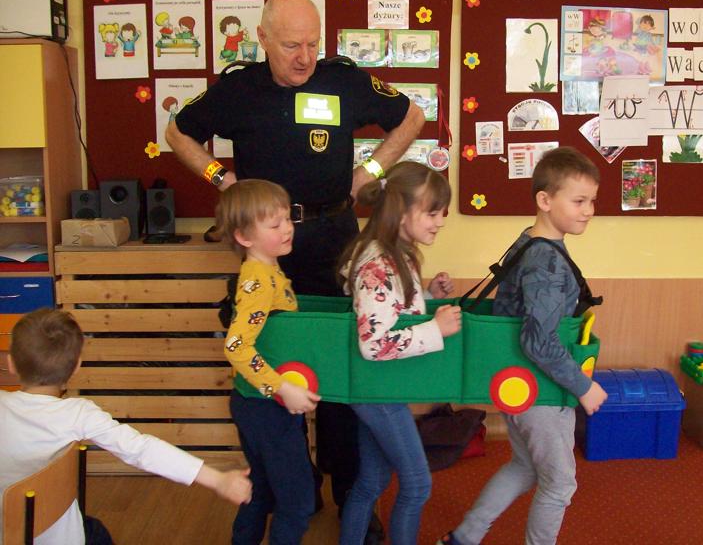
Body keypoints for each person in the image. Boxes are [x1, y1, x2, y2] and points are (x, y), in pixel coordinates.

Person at [166, 0, 425, 542]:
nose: (304, 56)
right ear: (262, 40)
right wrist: (221, 179)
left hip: (334, 239)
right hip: (266, 251)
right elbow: (177, 131)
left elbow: (412, 116)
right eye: (290, 46)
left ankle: (352, 495)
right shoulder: (239, 89)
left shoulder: (342, 80)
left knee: (342, 366)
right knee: (275, 358)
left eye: (312, 43)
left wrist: (371, 171)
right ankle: (294, 483)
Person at [438, 147, 608, 545]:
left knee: (525, 466)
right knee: (560, 483)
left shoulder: (530, 241)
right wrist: (583, 386)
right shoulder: (547, 263)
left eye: (592, 201)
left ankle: (465, 536)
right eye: (579, 201)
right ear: (545, 201)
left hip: (518, 383)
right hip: (541, 391)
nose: (589, 211)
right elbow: (539, 341)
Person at [0, 308, 252, 545]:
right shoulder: (79, 414)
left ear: (11, 363)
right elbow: (142, 449)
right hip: (61, 535)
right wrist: (218, 479)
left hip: (7, 533)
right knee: (96, 531)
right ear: (76, 367)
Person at [338, 162, 461, 545]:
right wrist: (435, 329)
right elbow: (374, 343)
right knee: (417, 484)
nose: (441, 221)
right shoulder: (378, 263)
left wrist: (428, 297)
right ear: (401, 211)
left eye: (442, 212)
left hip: (380, 387)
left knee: (371, 481)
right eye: (432, 212)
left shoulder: (395, 254)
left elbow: (391, 309)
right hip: (379, 391)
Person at [215, 179, 321, 545]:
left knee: (260, 489)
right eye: (275, 224)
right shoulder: (259, 281)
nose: (287, 228)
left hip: (254, 403)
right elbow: (236, 346)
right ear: (244, 236)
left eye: (288, 218)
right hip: (266, 407)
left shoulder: (267, 271)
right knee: (298, 501)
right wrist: (281, 388)